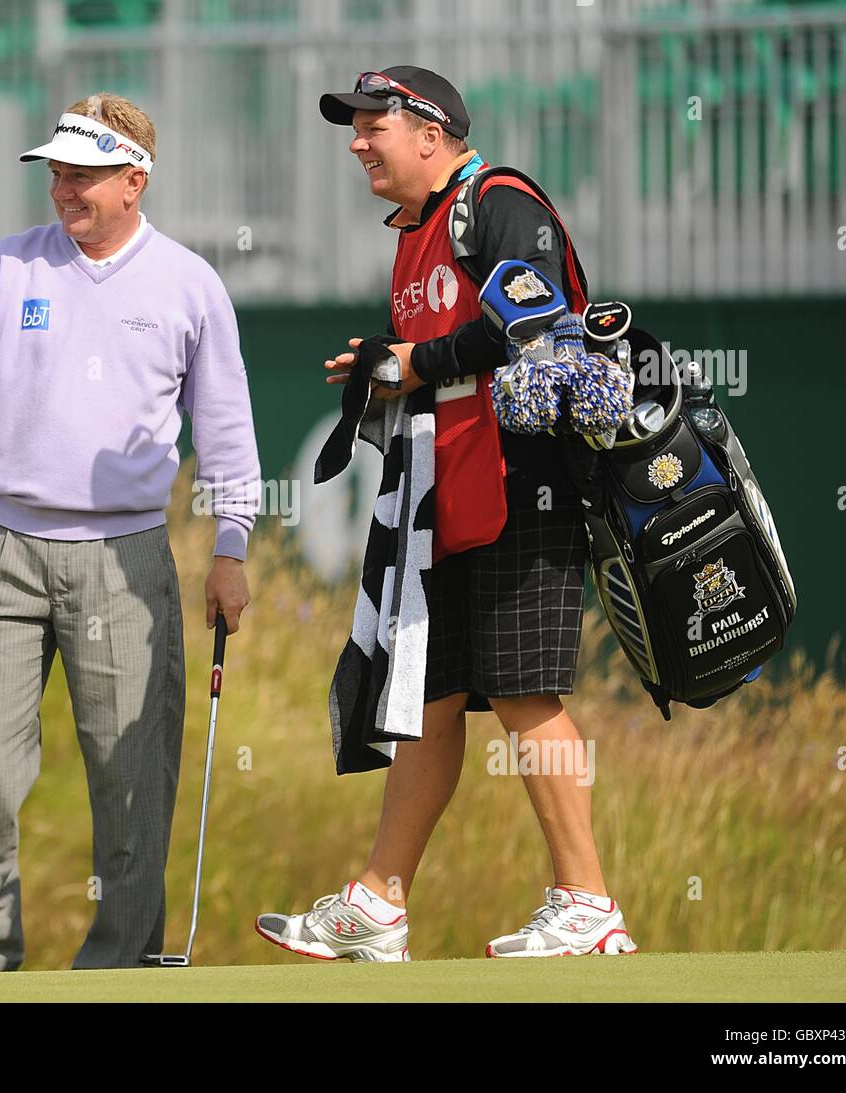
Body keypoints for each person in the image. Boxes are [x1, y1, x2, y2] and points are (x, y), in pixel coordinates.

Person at [255, 67, 638, 961]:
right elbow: (447, 356)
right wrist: (391, 366)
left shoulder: (501, 201)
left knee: (521, 690)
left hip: (523, 485)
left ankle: (587, 902)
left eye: (370, 124)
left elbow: (532, 327)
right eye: (352, 126)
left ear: (430, 132)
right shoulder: (418, 231)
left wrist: (417, 360)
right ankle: (378, 905)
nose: (356, 141)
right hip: (449, 494)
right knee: (429, 697)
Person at [0, 93, 260, 971]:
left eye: (82, 173)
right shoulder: (5, 266)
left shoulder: (188, 283)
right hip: (1, 551)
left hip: (126, 560)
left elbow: (227, 427)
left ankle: (119, 969)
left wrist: (233, 543)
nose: (63, 188)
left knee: (134, 777)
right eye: (56, 170)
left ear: (135, 180)